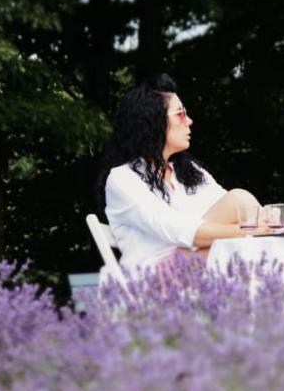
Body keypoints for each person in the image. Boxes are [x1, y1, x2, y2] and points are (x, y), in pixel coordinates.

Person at [95, 74, 268, 272]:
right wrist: (248, 232)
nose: (189, 121)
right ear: (153, 122)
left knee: (242, 206)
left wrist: (263, 225)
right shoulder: (122, 179)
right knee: (244, 241)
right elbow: (174, 228)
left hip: (198, 262)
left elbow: (235, 209)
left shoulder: (189, 171)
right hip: (154, 280)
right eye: (180, 114)